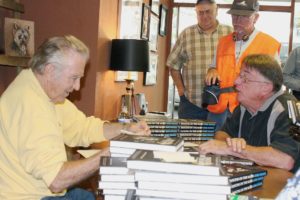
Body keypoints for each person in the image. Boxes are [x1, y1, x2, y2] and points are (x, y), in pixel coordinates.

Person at [0, 35, 150, 199]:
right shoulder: (29, 105)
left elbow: (82, 127)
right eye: (74, 78)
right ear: (50, 70)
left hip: (43, 191)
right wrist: (108, 154)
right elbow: (57, 180)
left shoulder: (44, 92)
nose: (77, 87)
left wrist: (125, 128)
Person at [199, 54, 300, 173]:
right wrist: (231, 143)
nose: (236, 82)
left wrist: (234, 149)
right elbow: (222, 133)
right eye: (239, 75)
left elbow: (285, 160)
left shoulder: (289, 110)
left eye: (245, 78)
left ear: (265, 88)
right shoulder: (244, 107)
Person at [205, 0, 281, 131]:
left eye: (244, 16)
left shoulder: (269, 44)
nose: (237, 20)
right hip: (219, 108)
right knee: (212, 146)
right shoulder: (223, 42)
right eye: (234, 15)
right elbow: (214, 66)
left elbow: (275, 85)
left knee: (241, 148)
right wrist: (212, 70)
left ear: (256, 17)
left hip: (250, 110)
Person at [166, 0, 232, 120]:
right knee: (188, 139)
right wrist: (182, 93)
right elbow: (173, 66)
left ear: (217, 10)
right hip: (191, 105)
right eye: (200, 13)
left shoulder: (230, 33)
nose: (205, 16)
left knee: (220, 139)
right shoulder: (186, 34)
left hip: (222, 106)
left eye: (208, 11)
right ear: (196, 12)